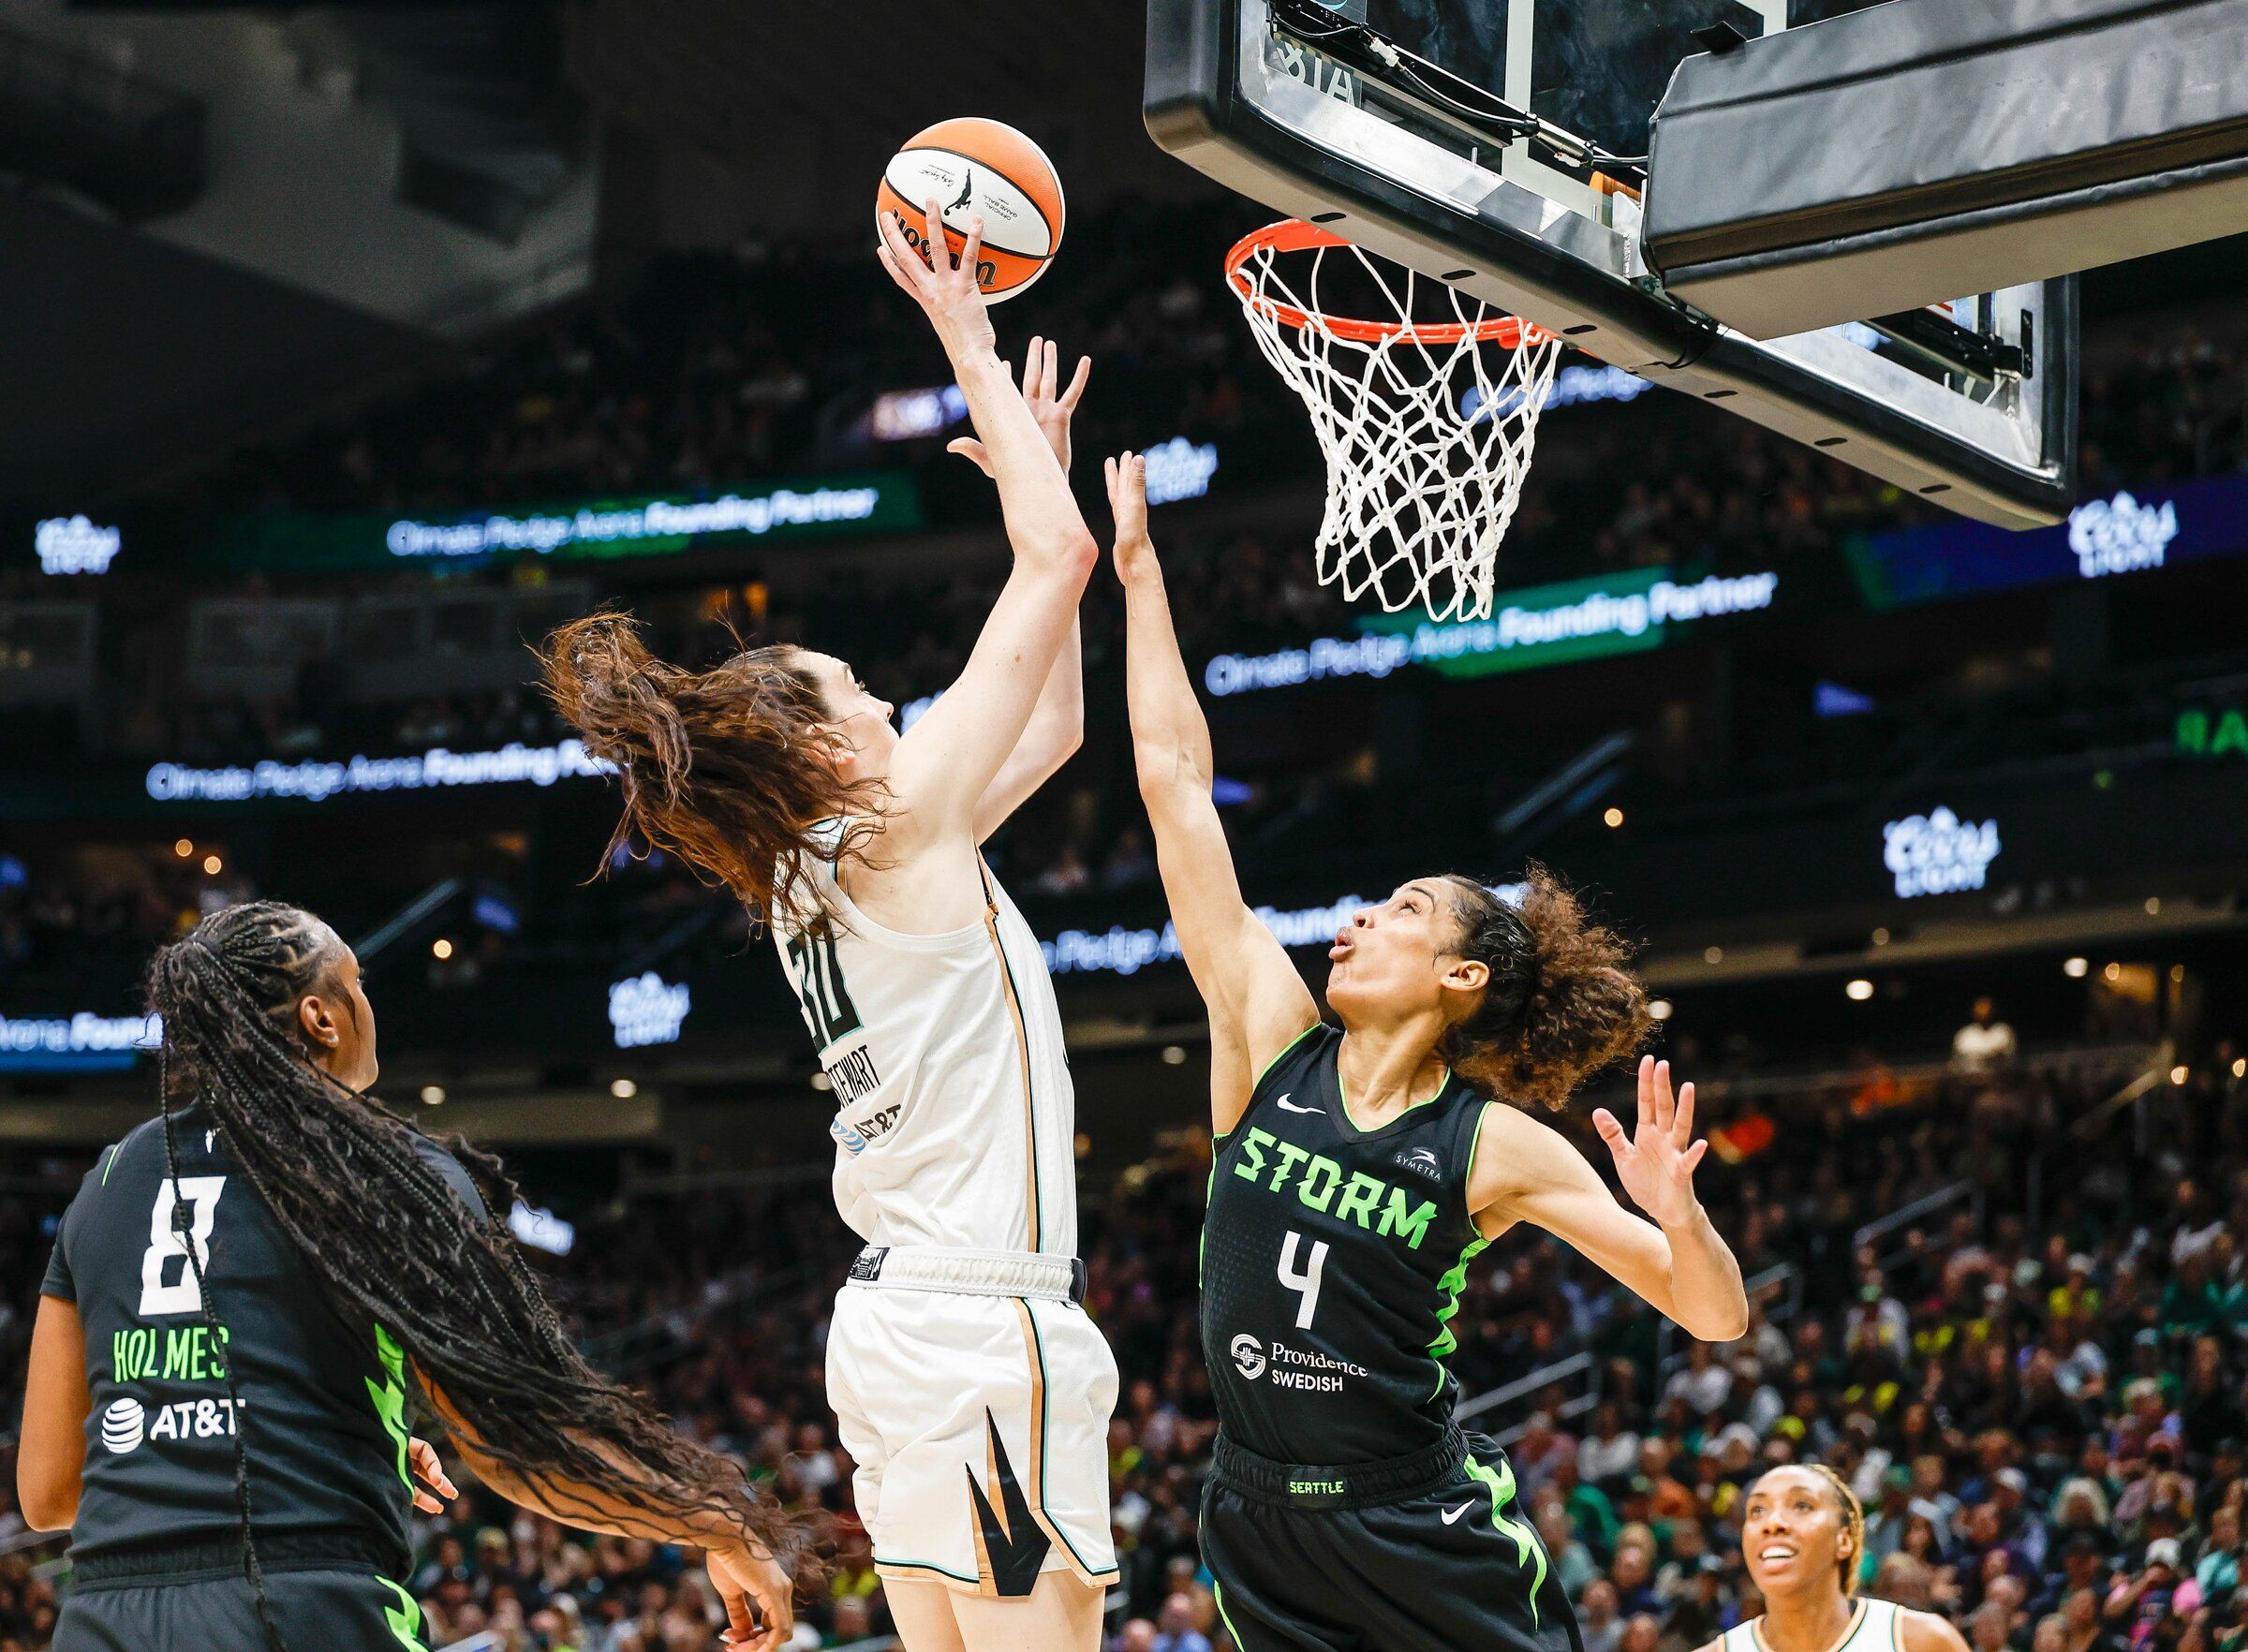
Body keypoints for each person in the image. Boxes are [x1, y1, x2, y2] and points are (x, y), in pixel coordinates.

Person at [541, 198, 1116, 1651]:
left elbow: (1049, 714)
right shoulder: (896, 832)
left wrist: (1043, 490)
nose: (886, 701)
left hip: (902, 1334)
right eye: (859, 688)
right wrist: (969, 347)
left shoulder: (841, 863)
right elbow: (1049, 569)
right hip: (981, 1326)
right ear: (821, 749)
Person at [1105, 452, 1750, 1650]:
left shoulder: (1491, 1143)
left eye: (1401, 907)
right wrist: (1141, 575)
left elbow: (1710, 1317)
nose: (1355, 921)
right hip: (1257, 1516)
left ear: (1462, 977)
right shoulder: (1268, 1037)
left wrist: (1678, 1213)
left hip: (1419, 1523)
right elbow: (1176, 785)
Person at [17, 902, 803, 1652]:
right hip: (300, 1609)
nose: (368, 1002)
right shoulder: (390, 1169)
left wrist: (312, 1440)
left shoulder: (107, 1181)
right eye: (356, 982)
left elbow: (49, 1492)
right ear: (321, 1017)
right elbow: (517, 1445)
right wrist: (718, 1520)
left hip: (105, 1617)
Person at [1701, 1466, 1974, 1652]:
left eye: (1801, 1505)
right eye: (1757, 1510)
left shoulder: (1920, 1641)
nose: (1773, 1523)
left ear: (1844, 1540)